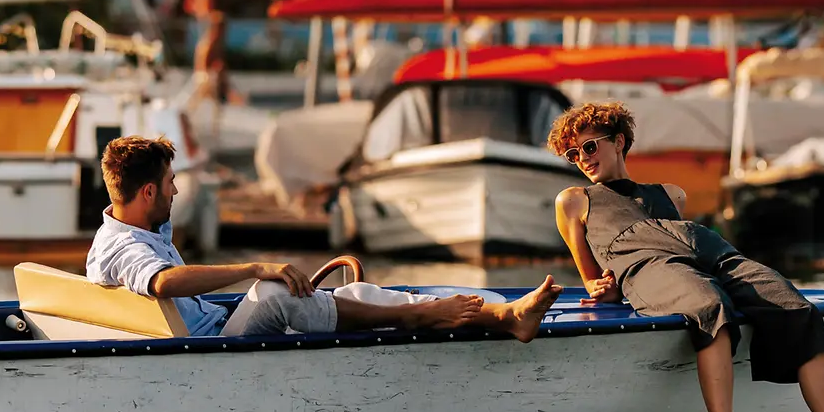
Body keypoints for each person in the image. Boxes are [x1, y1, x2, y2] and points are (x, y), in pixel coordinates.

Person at [546, 102, 824, 412]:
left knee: (795, 306)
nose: (583, 159)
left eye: (589, 147)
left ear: (618, 141)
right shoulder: (573, 201)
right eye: (573, 154)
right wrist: (601, 288)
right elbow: (590, 278)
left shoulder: (670, 194)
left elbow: (691, 247)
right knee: (710, 308)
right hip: (646, 262)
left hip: (709, 249)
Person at [88, 136, 562, 339]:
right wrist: (256, 267)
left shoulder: (140, 225)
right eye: (170, 182)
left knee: (353, 291)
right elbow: (163, 283)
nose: (176, 189)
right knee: (274, 289)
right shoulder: (125, 247)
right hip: (207, 346)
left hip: (214, 327)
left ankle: (503, 316)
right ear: (147, 191)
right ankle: (422, 315)